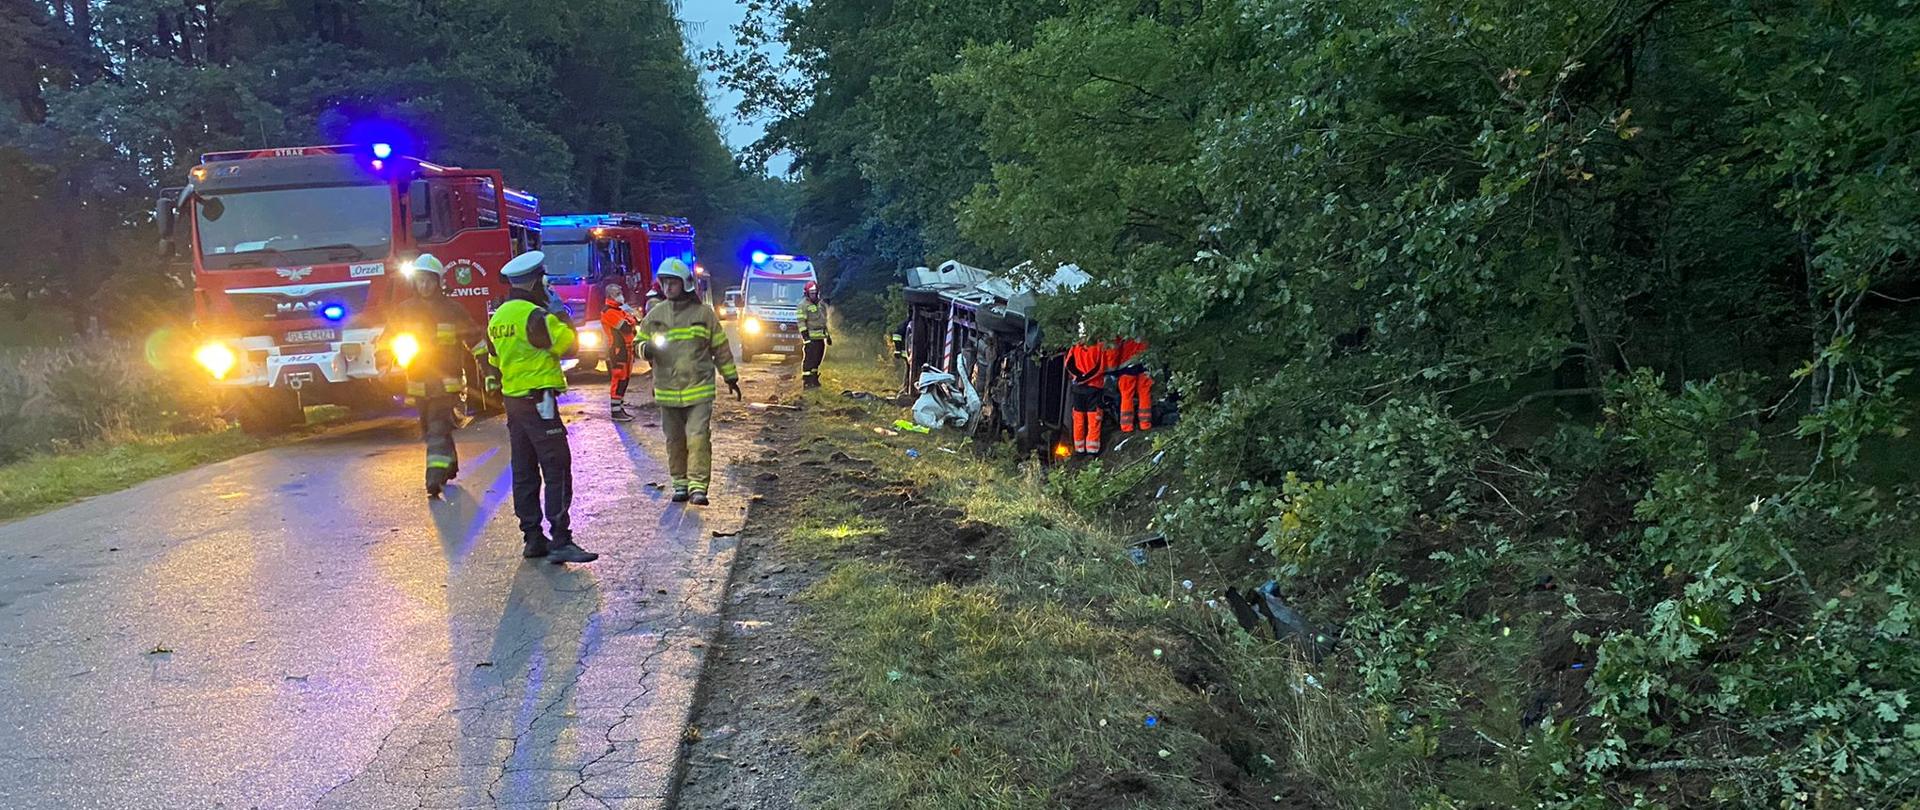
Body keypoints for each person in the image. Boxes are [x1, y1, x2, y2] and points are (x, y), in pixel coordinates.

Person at [481, 250, 598, 564]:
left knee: (524, 467)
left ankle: (533, 537)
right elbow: (569, 345)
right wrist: (559, 311)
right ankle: (561, 538)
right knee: (557, 463)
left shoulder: (498, 317)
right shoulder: (536, 316)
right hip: (540, 399)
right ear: (537, 281)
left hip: (514, 400)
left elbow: (493, 360)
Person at [638, 258, 741, 505]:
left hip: (699, 388)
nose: (668, 287)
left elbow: (720, 348)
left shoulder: (704, 314)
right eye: (664, 283)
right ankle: (680, 484)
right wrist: (647, 348)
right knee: (674, 440)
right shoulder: (655, 315)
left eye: (673, 283)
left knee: (697, 437)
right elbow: (637, 344)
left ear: (684, 284)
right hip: (667, 389)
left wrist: (730, 377)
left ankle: (698, 487)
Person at [391, 254, 482, 497]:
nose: (424, 286)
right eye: (420, 281)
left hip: (446, 384)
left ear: (438, 282)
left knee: (437, 428)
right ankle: (449, 464)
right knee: (430, 429)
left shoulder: (453, 310)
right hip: (418, 384)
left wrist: (488, 367)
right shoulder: (404, 311)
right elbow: (389, 338)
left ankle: (434, 477)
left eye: (429, 281)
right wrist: (383, 361)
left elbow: (475, 340)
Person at [601, 281, 643, 422]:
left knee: (625, 379)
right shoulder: (608, 311)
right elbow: (625, 327)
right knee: (619, 378)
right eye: (617, 294)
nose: (621, 296)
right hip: (618, 350)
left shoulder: (620, 310)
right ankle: (615, 411)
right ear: (610, 295)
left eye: (621, 293)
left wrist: (631, 318)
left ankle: (619, 407)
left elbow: (636, 321)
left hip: (627, 349)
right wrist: (631, 318)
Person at [1066, 337, 1107, 455]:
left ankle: (1079, 449)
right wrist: (1085, 378)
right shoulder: (1100, 345)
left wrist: (1079, 377)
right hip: (1094, 388)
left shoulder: (1075, 345)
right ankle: (1092, 450)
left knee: (1078, 419)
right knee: (1094, 419)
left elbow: (1068, 363)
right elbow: (1100, 368)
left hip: (1078, 388)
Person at [1104, 338, 1153, 433]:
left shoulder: (1122, 330)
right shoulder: (1144, 327)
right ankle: (1145, 424)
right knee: (1144, 393)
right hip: (1145, 364)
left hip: (1126, 367)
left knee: (1127, 395)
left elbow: (1113, 350)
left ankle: (1127, 426)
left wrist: (1111, 369)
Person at [797, 281, 831, 388]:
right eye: (811, 293)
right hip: (810, 338)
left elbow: (823, 321)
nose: (814, 295)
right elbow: (801, 322)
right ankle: (807, 382)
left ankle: (814, 379)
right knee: (809, 360)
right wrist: (805, 337)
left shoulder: (821, 304)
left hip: (821, 337)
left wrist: (828, 336)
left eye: (815, 293)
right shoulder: (803, 305)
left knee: (817, 359)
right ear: (807, 293)